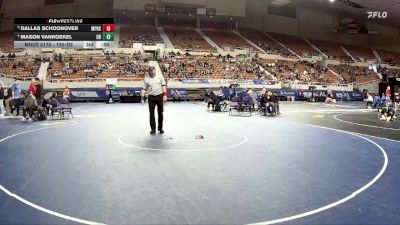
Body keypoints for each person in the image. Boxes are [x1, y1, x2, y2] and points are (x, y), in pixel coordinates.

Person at [141, 66, 167, 134]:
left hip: (159, 96)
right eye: (151, 73)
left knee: (160, 113)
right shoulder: (146, 79)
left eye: (153, 72)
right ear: (149, 72)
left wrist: (165, 95)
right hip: (151, 97)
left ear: (155, 71)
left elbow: (164, 86)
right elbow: (143, 89)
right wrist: (142, 99)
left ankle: (160, 128)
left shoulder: (160, 77)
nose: (152, 74)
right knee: (151, 114)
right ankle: (153, 129)